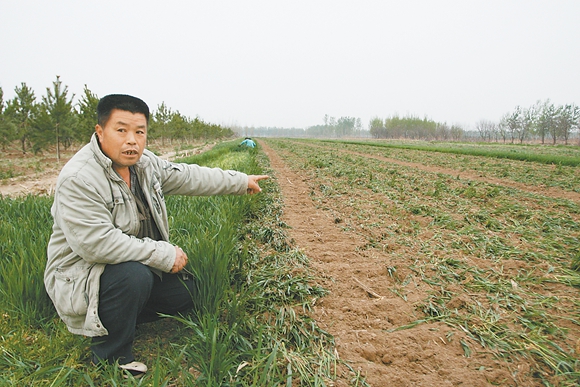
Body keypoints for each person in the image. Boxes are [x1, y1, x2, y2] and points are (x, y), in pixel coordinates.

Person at [44, 94, 269, 377]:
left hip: (125, 267)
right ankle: (111, 355)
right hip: (81, 277)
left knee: (186, 293)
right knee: (132, 277)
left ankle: (119, 314)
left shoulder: (144, 165)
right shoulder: (79, 178)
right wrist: (164, 254)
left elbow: (187, 176)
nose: (132, 140)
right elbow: (97, 245)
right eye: (121, 130)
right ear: (100, 132)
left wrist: (239, 181)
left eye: (139, 132)